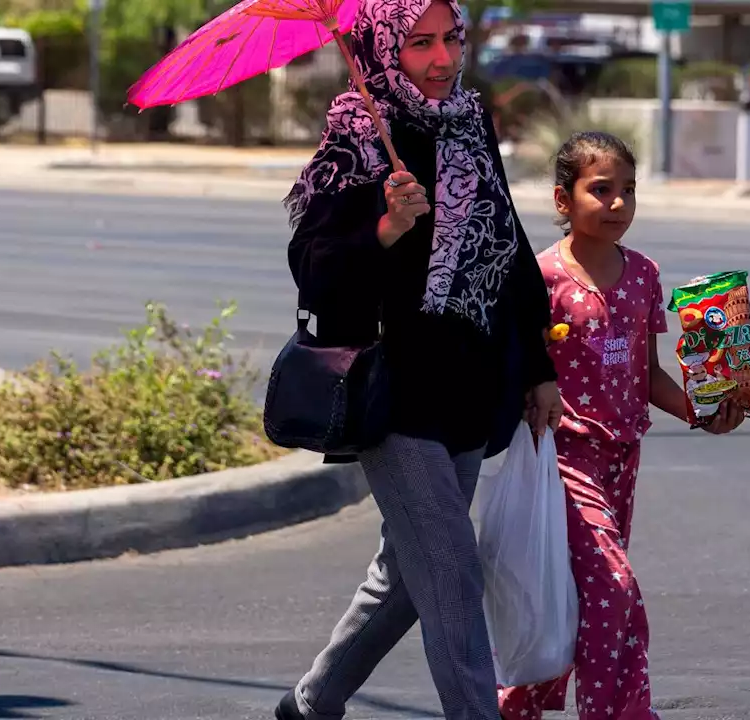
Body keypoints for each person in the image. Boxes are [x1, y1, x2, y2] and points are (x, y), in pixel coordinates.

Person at [273, 0, 563, 718]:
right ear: (383, 47)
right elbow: (313, 263)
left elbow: (509, 249)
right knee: (451, 572)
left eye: (451, 39)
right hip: (393, 390)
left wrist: (537, 368)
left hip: (470, 383)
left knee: (409, 574)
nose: (441, 58)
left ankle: (312, 702)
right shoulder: (357, 134)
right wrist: (385, 226)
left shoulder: (469, 122)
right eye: (420, 43)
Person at [496, 132, 746, 720]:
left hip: (621, 458)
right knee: (613, 586)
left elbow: (647, 372)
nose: (616, 204)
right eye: (600, 190)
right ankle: (621, 711)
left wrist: (702, 412)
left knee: (571, 591)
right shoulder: (542, 279)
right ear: (563, 199)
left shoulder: (643, 275)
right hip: (562, 455)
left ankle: (516, 705)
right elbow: (520, 365)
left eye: (627, 191)